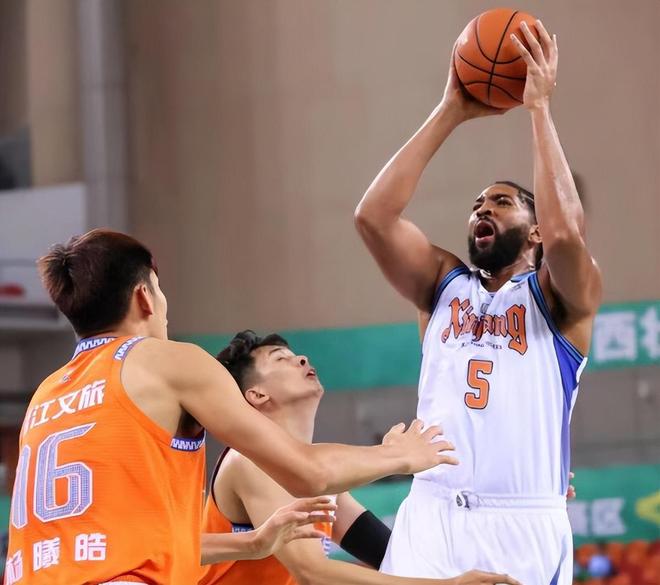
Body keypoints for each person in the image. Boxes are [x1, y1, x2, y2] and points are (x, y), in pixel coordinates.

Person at [4, 229, 456, 585]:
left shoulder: (48, 393)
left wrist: (251, 544)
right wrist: (399, 454)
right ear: (144, 296)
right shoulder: (167, 362)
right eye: (160, 290)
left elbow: (134, 539)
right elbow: (309, 479)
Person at [354, 21, 601, 584]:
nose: (483, 208)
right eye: (477, 204)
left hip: (522, 521)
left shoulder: (561, 300)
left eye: (503, 202)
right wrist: (451, 110)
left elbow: (567, 236)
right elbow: (373, 216)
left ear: (535, 231)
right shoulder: (442, 285)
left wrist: (539, 109)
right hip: (432, 512)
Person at [199, 330, 520, 585]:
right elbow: (313, 573)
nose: (301, 358)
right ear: (257, 394)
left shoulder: (318, 475)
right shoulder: (251, 461)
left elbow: (389, 554)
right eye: (281, 359)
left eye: (295, 354)